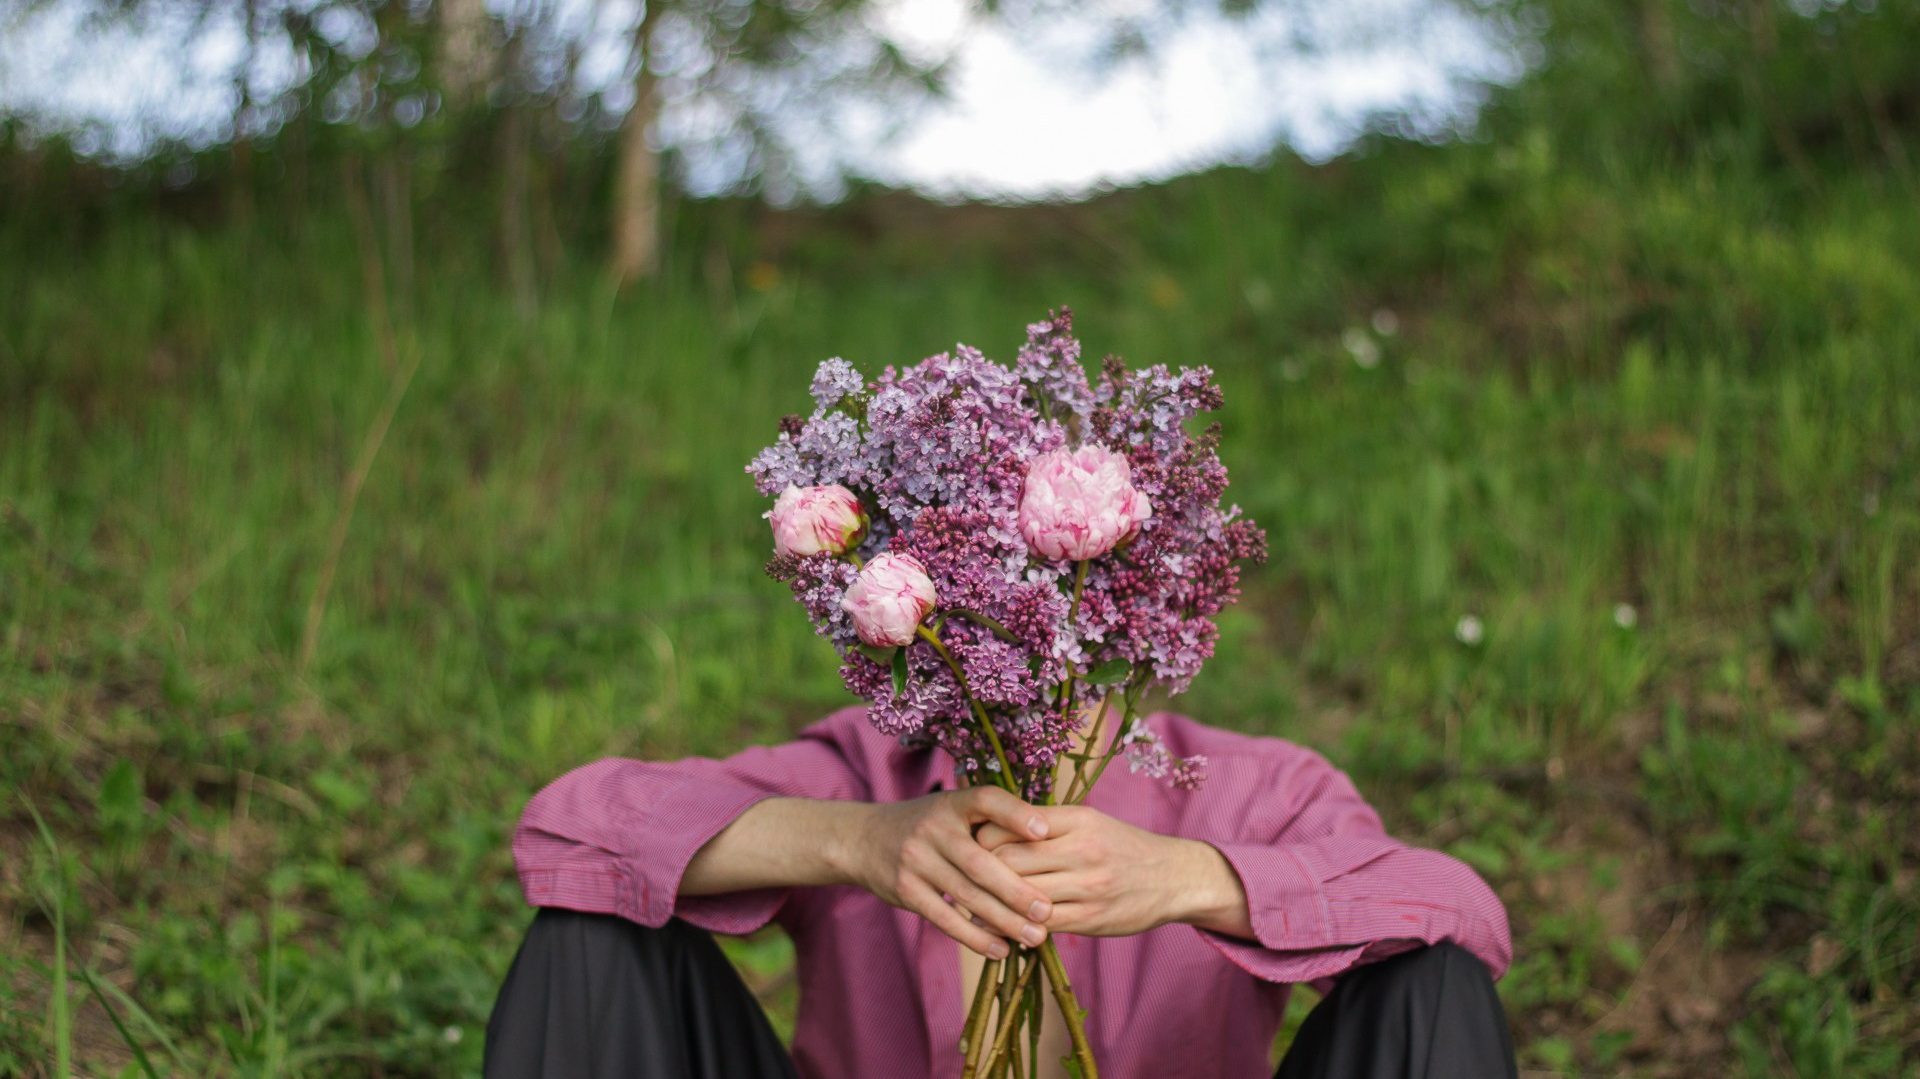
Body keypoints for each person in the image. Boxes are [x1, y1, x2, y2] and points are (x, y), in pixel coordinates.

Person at [483, 704, 1519, 1079]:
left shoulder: (1253, 784)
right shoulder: (869, 769)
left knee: (1429, 983)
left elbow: (1461, 911)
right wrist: (857, 839)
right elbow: (572, 826)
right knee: (593, 937)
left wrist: (1191, 876)